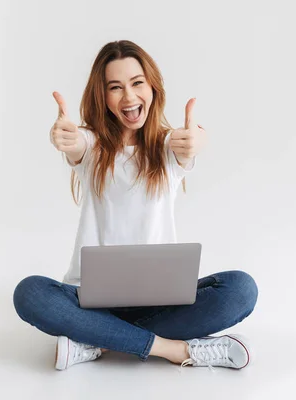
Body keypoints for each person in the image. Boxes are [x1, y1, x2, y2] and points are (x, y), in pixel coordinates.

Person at [13, 40, 258, 371]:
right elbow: (75, 143)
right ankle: (172, 349)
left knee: (241, 289)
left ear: (152, 87)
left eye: (137, 83)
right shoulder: (91, 145)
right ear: (103, 97)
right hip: (88, 301)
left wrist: (199, 138)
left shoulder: (169, 146)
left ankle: (95, 342)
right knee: (30, 294)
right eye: (115, 87)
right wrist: (65, 138)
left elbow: (190, 142)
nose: (128, 97)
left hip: (160, 304)